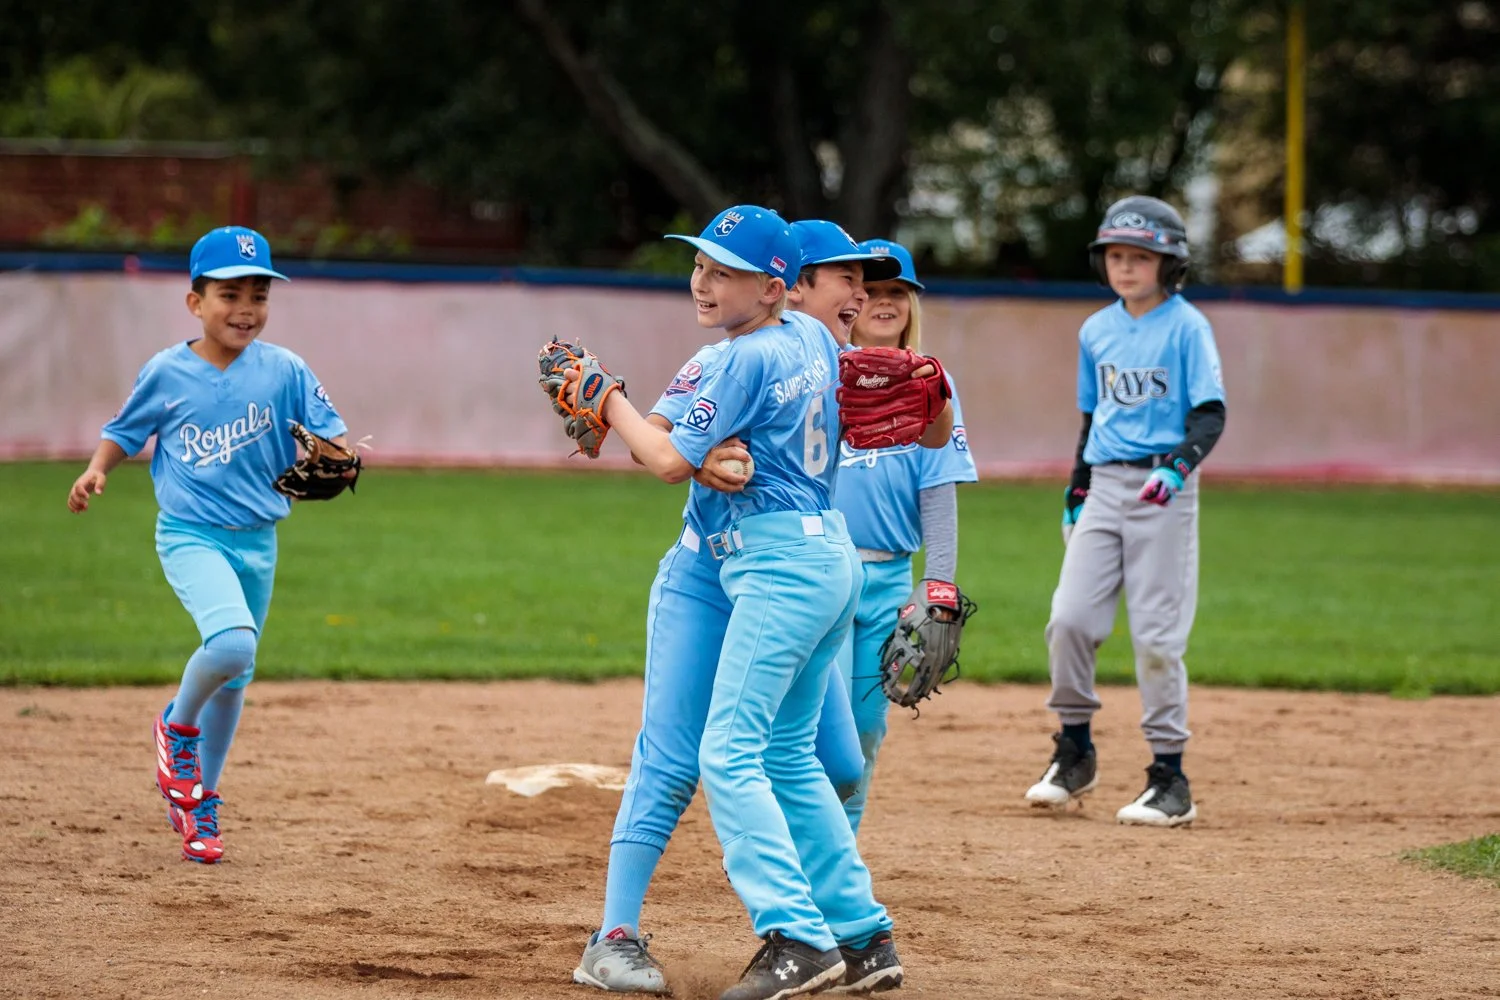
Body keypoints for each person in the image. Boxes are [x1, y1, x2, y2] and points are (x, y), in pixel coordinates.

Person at [563, 205, 901, 1000]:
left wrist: (605, 397)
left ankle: (796, 935)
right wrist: (707, 452)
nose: (703, 282)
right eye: (701, 266)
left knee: (728, 752)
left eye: (725, 271)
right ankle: (862, 933)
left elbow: (664, 460)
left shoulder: (739, 359)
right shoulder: (812, 341)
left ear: (776, 285)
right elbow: (710, 435)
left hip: (774, 564)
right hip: (827, 555)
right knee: (783, 753)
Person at [66, 225, 356, 863]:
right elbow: (126, 428)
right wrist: (98, 468)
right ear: (195, 302)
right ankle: (175, 728)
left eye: (258, 294)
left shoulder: (285, 370)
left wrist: (339, 455)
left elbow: (333, 437)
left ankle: (199, 800)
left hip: (259, 539)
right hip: (191, 534)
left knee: (236, 675)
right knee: (230, 644)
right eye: (229, 294)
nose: (246, 308)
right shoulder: (168, 371)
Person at [1022, 196, 1227, 827]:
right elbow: (1093, 419)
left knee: (1158, 638)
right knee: (1069, 619)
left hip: (1161, 491)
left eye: (1141, 257)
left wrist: (1178, 466)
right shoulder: (1096, 330)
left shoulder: (1187, 326)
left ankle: (1171, 777)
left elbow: (1210, 412)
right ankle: (1075, 748)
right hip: (1106, 488)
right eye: (1116, 256)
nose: (1127, 267)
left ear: (1169, 264)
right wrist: (1077, 487)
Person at [829, 238, 978, 835]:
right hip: (823, 568)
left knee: (865, 733)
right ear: (851, 298)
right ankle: (791, 850)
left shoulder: (930, 382)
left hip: (889, 577)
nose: (885, 302)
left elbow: (937, 491)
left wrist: (938, 582)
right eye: (872, 291)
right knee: (825, 727)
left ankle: (839, 860)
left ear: (912, 303)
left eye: (898, 292)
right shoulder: (821, 374)